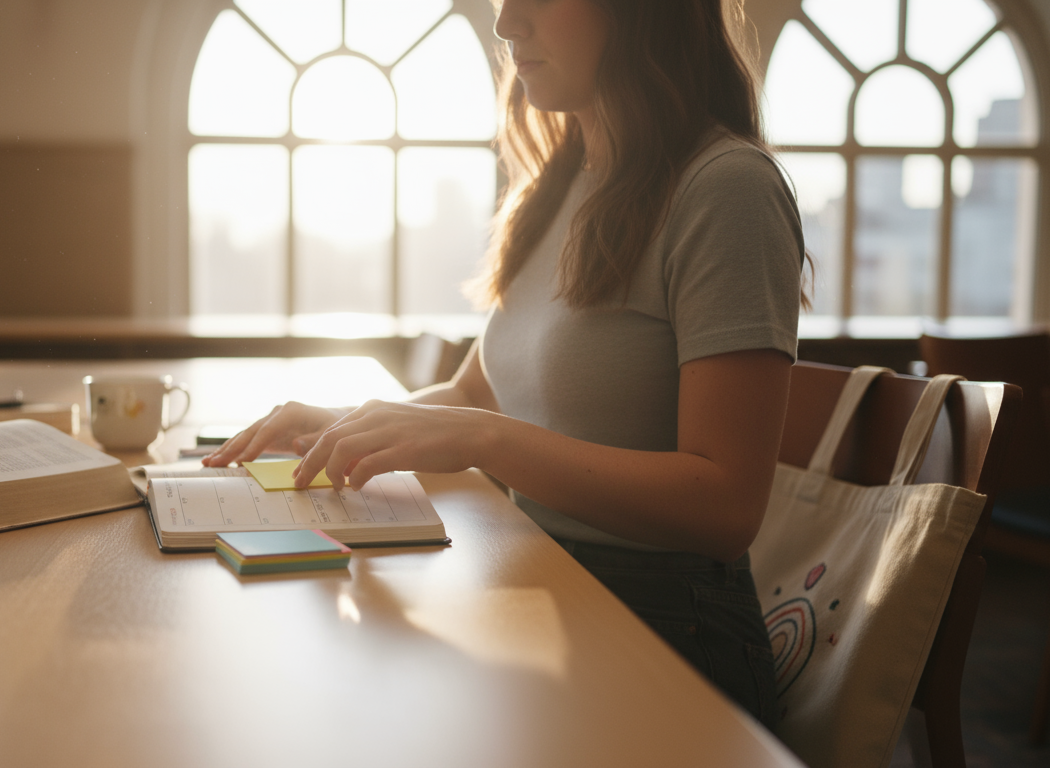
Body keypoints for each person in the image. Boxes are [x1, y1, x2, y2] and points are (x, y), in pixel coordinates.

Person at [205, 0, 805, 728]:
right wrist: (346, 424)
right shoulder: (562, 182)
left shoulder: (727, 187)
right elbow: (475, 393)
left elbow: (726, 506)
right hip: (543, 582)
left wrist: (487, 442)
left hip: (666, 630)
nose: (506, 23)